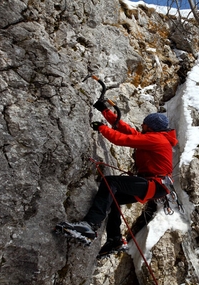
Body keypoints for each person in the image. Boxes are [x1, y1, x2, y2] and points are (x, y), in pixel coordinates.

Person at [59, 99, 178, 258]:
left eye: (144, 124)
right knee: (113, 196)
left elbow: (122, 139)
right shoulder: (155, 137)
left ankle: (90, 225)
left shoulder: (156, 139)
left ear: (150, 127)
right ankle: (114, 238)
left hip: (154, 184)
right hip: (155, 186)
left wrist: (102, 128)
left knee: (110, 183)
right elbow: (127, 130)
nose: (141, 127)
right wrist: (105, 111)